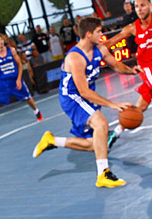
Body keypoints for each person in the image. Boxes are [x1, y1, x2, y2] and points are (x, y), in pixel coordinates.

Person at [32, 17, 141, 188]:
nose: (102, 34)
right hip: (72, 97)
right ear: (89, 34)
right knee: (101, 124)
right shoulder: (75, 57)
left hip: (84, 97)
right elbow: (83, 91)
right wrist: (112, 104)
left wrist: (130, 70)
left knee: (96, 145)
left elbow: (115, 65)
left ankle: (53, 141)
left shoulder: (100, 49)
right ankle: (103, 174)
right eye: (99, 31)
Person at [105, 0, 152, 149]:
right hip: (147, 67)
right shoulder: (132, 28)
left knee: (140, 108)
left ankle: (115, 133)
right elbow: (111, 42)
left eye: (143, 5)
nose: (139, 9)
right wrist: (90, 51)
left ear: (150, 6)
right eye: (137, 6)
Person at [0, 33, 42, 135]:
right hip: (2, 82)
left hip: (14, 79)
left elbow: (19, 65)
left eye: (1, 39)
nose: (0, 41)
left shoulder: (11, 50)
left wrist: (18, 79)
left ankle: (37, 111)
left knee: (27, 97)